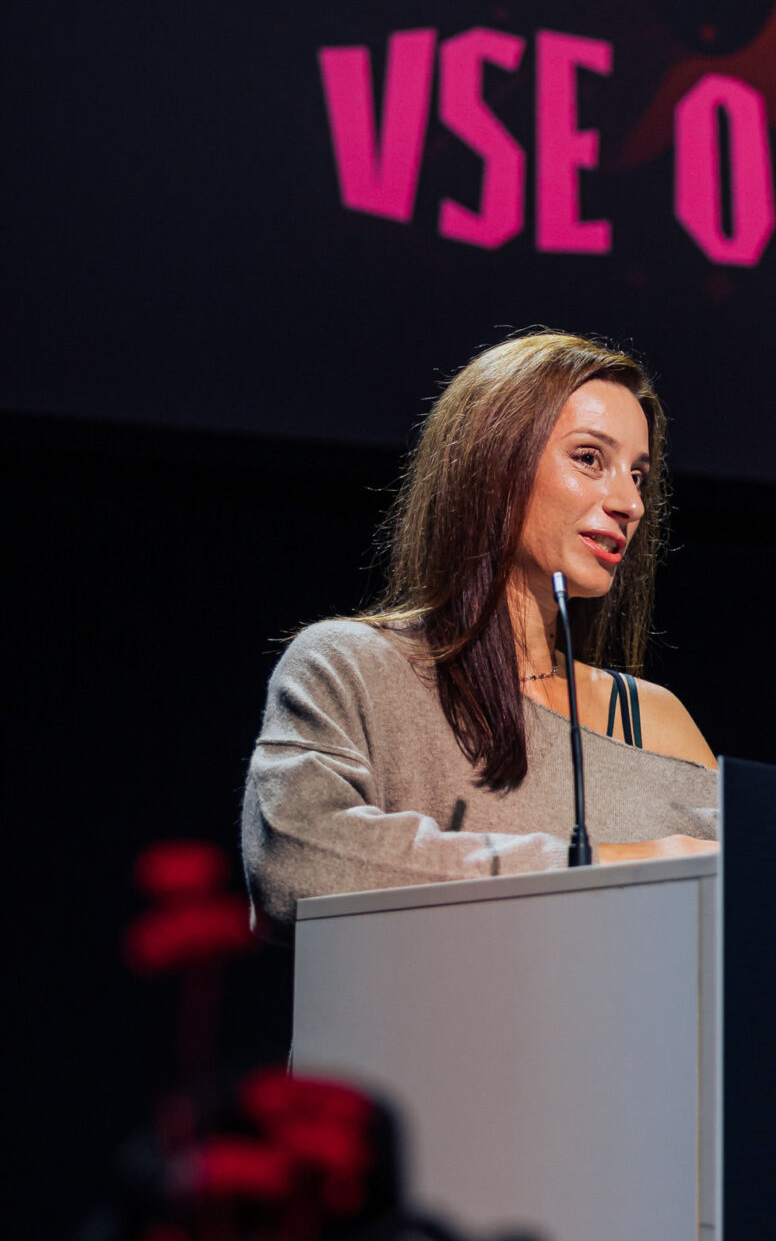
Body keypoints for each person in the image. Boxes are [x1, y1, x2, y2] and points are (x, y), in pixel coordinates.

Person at [242, 332, 718, 923]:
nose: (630, 503)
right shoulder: (352, 669)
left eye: (638, 475)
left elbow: (763, 894)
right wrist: (602, 865)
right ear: (493, 464)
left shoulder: (653, 722)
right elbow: (297, 862)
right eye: (590, 459)